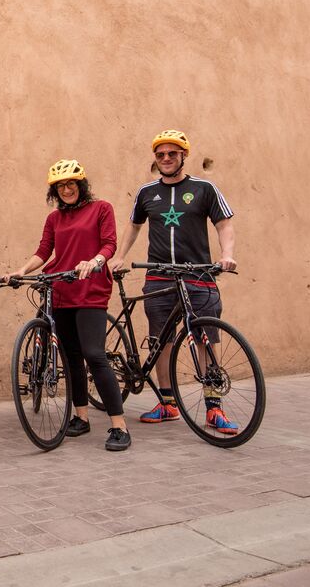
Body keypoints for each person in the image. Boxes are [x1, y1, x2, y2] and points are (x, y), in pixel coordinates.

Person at [108, 129, 238, 434]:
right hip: (159, 276)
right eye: (160, 154)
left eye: (172, 154)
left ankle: (214, 407)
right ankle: (167, 403)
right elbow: (133, 226)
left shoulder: (204, 188)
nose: (166, 159)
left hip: (199, 274)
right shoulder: (146, 192)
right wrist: (119, 256)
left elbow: (224, 224)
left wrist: (227, 254)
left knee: (207, 338)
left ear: (183, 156)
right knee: (161, 340)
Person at [8, 160, 129, 451]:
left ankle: (119, 426)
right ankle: (81, 417)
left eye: (71, 183)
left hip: (90, 289)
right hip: (60, 289)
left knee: (94, 354)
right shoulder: (54, 218)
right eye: (60, 186)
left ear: (81, 184)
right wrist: (22, 271)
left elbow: (109, 244)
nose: (66, 189)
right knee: (72, 356)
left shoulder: (102, 209)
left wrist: (95, 261)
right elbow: (43, 251)